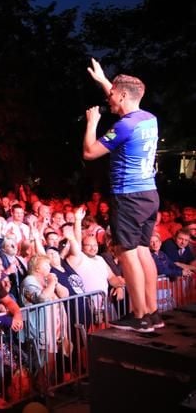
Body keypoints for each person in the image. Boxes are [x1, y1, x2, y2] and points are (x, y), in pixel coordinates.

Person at [84, 58, 160, 332]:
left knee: (127, 254)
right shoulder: (148, 119)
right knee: (142, 252)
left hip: (128, 196)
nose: (109, 100)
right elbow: (121, 97)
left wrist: (93, 122)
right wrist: (105, 80)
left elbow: (90, 152)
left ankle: (139, 316)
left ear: (124, 95)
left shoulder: (125, 125)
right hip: (149, 194)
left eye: (113, 95)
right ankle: (152, 312)